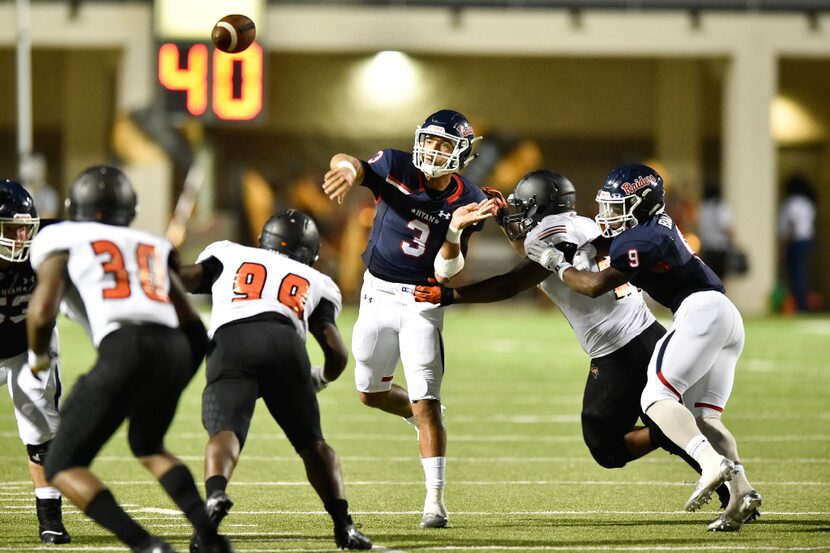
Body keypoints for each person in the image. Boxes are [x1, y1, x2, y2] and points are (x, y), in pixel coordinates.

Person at [413, 170, 732, 501]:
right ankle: (731, 487)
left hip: (618, 351)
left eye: (523, 207)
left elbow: (512, 280)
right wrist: (503, 217)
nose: (518, 214)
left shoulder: (546, 238)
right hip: (649, 333)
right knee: (659, 412)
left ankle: (684, 443)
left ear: (539, 207)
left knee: (605, 444)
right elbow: (532, 248)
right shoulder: (587, 225)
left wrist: (449, 296)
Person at [526, 163, 761, 532]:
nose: (608, 214)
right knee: (704, 418)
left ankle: (712, 464)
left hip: (700, 310)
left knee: (655, 398)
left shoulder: (643, 239)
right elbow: (604, 243)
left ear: (642, 204)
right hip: (724, 315)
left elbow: (593, 285)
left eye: (618, 206)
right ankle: (741, 494)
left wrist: (554, 262)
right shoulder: (649, 227)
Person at [26, 166, 233, 553]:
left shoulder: (60, 236)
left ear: (76, 204)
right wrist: (180, 371)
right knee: (149, 444)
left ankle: (145, 545)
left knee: (60, 465)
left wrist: (38, 356)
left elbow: (40, 312)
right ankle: (211, 537)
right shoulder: (149, 243)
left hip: (126, 346)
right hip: (175, 347)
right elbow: (189, 320)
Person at [321, 109, 498, 529]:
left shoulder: (469, 198)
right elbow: (349, 161)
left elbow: (449, 275)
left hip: (421, 301)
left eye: (443, 144)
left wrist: (454, 232)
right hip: (375, 293)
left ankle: (434, 502)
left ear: (462, 155)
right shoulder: (397, 165)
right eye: (430, 140)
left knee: (428, 404)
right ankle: (412, 412)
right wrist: (345, 169)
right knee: (369, 393)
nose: (433, 150)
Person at [177, 209, 372, 551]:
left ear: (262, 240)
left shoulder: (229, 253)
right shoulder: (318, 281)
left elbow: (184, 279)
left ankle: (216, 494)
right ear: (311, 253)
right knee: (313, 444)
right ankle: (345, 526)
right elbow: (338, 354)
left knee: (225, 431)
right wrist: (320, 378)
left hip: (232, 342)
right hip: (286, 347)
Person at [0, 179, 70, 545]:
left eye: (27, 228)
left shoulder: (48, 242)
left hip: (29, 348)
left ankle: (51, 519)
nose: (22, 238)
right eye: (12, 230)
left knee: (41, 435)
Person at [778, 174, 817, 312]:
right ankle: (801, 304)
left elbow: (792, 224)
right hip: (807, 240)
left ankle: (800, 306)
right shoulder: (807, 203)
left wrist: (785, 245)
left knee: (796, 274)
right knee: (802, 273)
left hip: (795, 241)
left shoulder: (793, 202)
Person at [696, 183, 734, 280]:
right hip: (720, 248)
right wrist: (733, 243)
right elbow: (726, 227)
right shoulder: (721, 206)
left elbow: (699, 227)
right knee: (720, 278)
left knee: (709, 278)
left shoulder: (703, 207)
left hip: (707, 248)